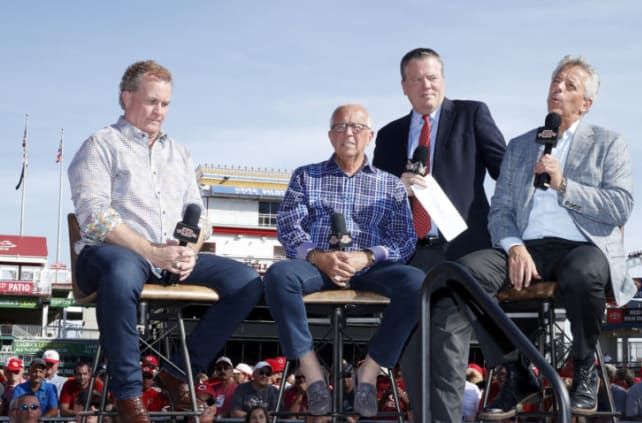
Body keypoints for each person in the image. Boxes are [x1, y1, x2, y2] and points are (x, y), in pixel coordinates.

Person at [67, 60, 264, 422]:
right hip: (113, 253)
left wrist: (189, 250)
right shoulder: (100, 144)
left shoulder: (180, 153)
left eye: (166, 103)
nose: (160, 111)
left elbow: (198, 215)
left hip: (169, 256)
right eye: (152, 101)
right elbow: (93, 215)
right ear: (127, 97)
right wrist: (151, 251)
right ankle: (128, 394)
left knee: (247, 282)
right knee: (123, 271)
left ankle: (176, 372)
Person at [457, 54, 635, 419]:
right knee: (464, 275)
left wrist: (564, 183)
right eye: (555, 81)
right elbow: (501, 210)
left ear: (586, 104)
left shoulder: (609, 142)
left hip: (581, 246)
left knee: (583, 272)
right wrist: (515, 246)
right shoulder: (521, 145)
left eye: (570, 85)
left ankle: (585, 370)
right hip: (526, 246)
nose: (558, 88)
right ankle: (515, 371)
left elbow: (620, 206)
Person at [264, 103, 424, 418]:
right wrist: (317, 256)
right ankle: (311, 372)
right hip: (317, 267)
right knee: (278, 275)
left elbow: (404, 239)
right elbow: (288, 226)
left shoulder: (390, 185)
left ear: (370, 136)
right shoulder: (305, 176)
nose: (348, 133)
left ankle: (369, 371)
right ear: (330, 136)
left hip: (370, 270)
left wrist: (367, 257)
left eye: (356, 127)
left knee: (418, 283)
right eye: (340, 127)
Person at [372, 47, 506, 423]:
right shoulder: (389, 135)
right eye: (416, 79)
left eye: (432, 77)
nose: (425, 85)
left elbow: (506, 173)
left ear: (443, 80)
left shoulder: (472, 114)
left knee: (447, 349)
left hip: (460, 252)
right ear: (404, 87)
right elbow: (377, 199)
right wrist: (397, 188)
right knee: (412, 353)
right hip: (410, 254)